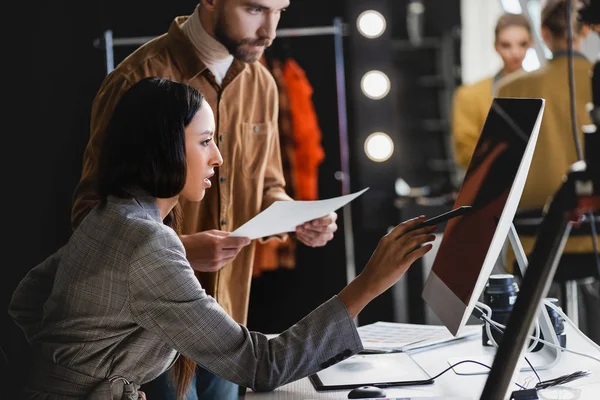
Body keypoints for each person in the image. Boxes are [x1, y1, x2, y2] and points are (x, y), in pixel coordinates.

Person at [9, 77, 436, 400]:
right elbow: (260, 365)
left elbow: (26, 299)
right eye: (206, 141)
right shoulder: (146, 243)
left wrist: (80, 374)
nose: (218, 158)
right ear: (166, 148)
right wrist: (370, 283)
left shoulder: (109, 215)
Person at [70, 0, 338, 397]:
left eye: (279, 10)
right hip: (147, 337)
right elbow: (89, 217)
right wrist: (177, 252)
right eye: (255, 9)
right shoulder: (136, 79)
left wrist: (297, 218)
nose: (270, 31)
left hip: (228, 322)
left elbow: (266, 185)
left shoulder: (262, 82)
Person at [496, 0, 595, 269]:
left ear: (544, 33)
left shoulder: (510, 88)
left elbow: (500, 171)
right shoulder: (594, 79)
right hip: (595, 237)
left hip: (532, 242)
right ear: (585, 31)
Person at [452, 13, 533, 170]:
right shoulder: (470, 96)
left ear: (531, 43)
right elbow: (465, 152)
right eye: (506, 45)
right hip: (492, 181)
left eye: (522, 44)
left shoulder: (542, 89)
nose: (515, 53)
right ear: (496, 46)